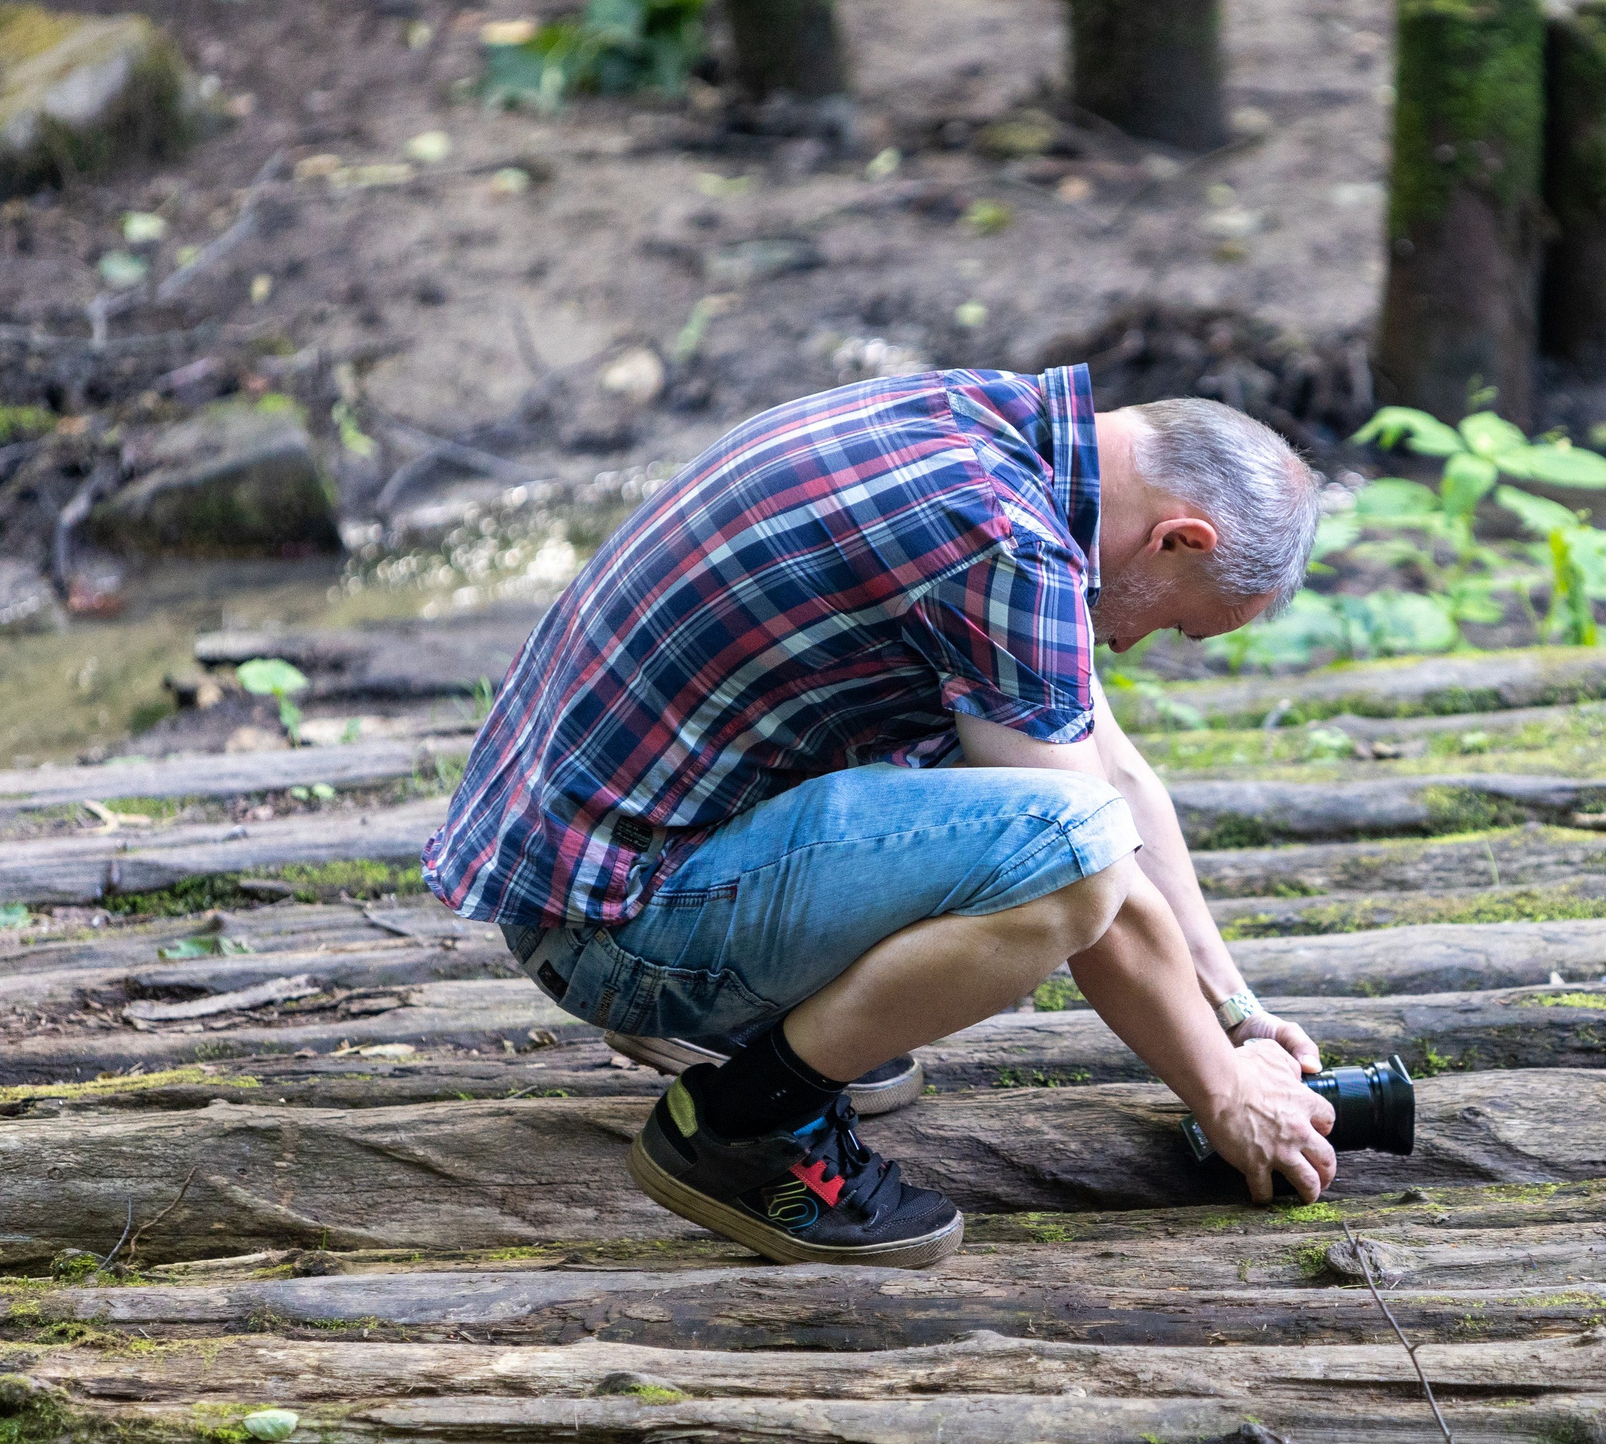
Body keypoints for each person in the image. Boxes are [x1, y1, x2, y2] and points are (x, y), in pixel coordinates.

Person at [424, 364, 1339, 1270]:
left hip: (581, 857)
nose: (1135, 641)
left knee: (1033, 781)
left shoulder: (994, 432)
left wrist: (1235, 1011)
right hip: (611, 929)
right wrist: (1228, 1098)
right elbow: (1091, 857)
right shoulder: (1004, 542)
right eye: (1184, 624)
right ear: (1178, 539)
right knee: (1073, 856)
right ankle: (752, 1121)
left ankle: (768, 1015)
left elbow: (1115, 767)